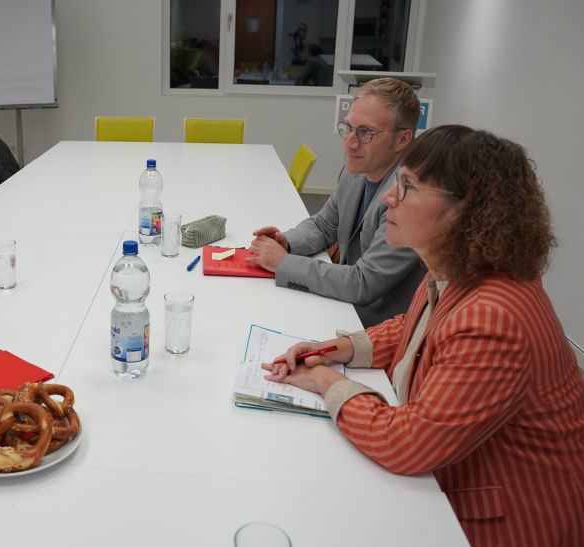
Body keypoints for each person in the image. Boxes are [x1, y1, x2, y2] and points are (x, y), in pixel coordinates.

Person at [263, 125, 584, 545]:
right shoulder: (460, 270)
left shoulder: (494, 317)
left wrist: (328, 382)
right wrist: (336, 349)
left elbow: (408, 444)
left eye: (409, 187)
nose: (391, 197)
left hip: (507, 521)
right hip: (452, 482)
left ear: (468, 211)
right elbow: (414, 329)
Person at [246, 77, 426, 327]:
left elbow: (363, 283)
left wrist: (283, 262)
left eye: (366, 132)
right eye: (348, 128)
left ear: (403, 140)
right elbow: (324, 224)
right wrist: (286, 242)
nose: (350, 142)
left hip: (375, 325)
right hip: (341, 303)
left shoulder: (409, 195)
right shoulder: (356, 170)